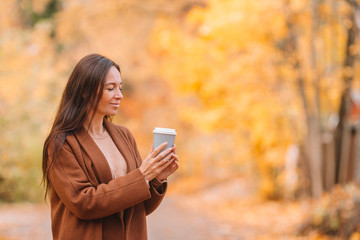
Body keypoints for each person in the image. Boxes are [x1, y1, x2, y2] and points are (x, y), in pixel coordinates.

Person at [42, 53, 179, 240]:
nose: (119, 95)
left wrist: (156, 179)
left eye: (120, 88)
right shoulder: (62, 143)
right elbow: (83, 203)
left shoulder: (124, 136)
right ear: (85, 91)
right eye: (110, 88)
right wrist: (142, 176)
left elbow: (139, 206)